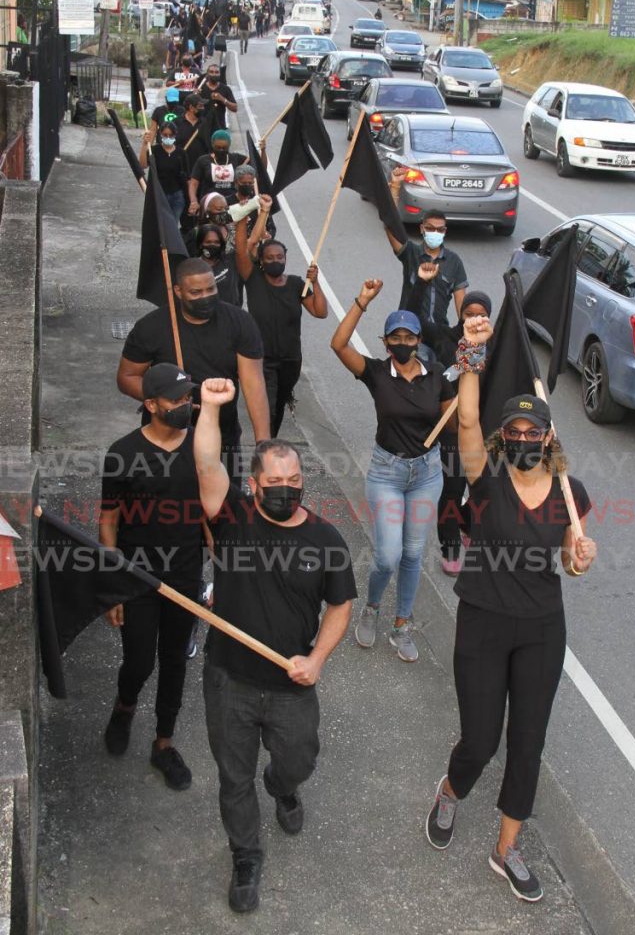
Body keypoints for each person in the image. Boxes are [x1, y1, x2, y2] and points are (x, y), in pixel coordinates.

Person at [425, 314, 597, 903]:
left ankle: (506, 849)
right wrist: (472, 354)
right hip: (482, 619)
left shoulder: (572, 496)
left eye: (532, 430)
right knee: (480, 741)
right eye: (515, 430)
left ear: (547, 436)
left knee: (528, 742)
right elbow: (468, 418)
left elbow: (570, 564)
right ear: (507, 436)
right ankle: (451, 790)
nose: (523, 438)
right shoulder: (487, 476)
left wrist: (580, 557)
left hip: (542, 629)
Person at [194, 384, 356, 913]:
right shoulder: (233, 517)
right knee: (233, 776)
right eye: (274, 482)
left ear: (302, 481)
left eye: (293, 481)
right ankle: (245, 855)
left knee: (298, 760)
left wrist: (318, 659)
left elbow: (339, 607)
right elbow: (204, 464)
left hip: (290, 685)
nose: (285, 490)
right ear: (254, 484)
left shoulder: (327, 541)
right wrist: (213, 408)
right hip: (229, 681)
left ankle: (283, 787)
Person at [331, 280, 456, 663]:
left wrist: (467, 386)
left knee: (413, 553)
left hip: (427, 474)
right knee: (388, 555)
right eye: (395, 337)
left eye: (410, 336)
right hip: (387, 473)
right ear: (386, 343)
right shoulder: (375, 373)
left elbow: (455, 425)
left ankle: (401, 624)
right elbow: (338, 345)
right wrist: (361, 301)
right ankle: (371, 607)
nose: (403, 342)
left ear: (419, 340)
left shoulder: (437, 375)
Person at [100, 363, 203, 790]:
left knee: (175, 660)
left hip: (184, 577)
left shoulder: (202, 449)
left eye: (188, 398)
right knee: (140, 660)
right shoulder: (122, 454)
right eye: (177, 401)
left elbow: (215, 517)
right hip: (137, 578)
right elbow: (108, 523)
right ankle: (124, 707)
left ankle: (164, 743)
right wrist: (112, 586)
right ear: (150, 405)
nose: (186, 406)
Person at [116, 257, 270, 485]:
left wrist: (263, 444)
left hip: (221, 435)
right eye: (196, 292)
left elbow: (253, 384)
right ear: (178, 291)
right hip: (166, 436)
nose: (205, 297)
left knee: (224, 507)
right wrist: (166, 399)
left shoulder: (240, 322)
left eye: (211, 289)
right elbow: (126, 377)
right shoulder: (151, 327)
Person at [408, 264, 493, 573]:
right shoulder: (445, 338)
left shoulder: (493, 347)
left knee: (485, 490)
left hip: (484, 434)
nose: (474, 318)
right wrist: (420, 283)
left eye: (480, 313)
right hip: (451, 431)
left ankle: (467, 524)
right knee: (451, 492)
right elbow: (415, 318)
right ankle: (450, 547)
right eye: (468, 312)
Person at [236, 199, 327, 436]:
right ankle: (265, 446)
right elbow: (248, 246)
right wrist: (261, 212)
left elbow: (320, 312)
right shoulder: (253, 279)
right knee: (267, 405)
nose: (275, 261)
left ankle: (270, 439)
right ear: (262, 261)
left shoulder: (297, 284)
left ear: (285, 259)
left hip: (290, 360)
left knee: (278, 404)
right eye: (270, 258)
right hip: (262, 359)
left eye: (279, 257)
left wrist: (316, 284)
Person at [386, 166, 468, 326]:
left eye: (439, 229)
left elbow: (461, 303)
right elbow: (391, 225)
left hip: (438, 334)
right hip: (409, 330)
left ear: (445, 232)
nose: (435, 232)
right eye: (430, 228)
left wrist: (465, 334)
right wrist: (395, 187)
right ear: (422, 229)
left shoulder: (454, 261)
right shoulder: (411, 253)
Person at [139, 120, 188, 223]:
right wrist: (144, 145)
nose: (168, 137)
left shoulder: (181, 153)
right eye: (165, 135)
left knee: (172, 226)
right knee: (159, 225)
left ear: (175, 135)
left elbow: (187, 177)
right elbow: (143, 165)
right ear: (160, 134)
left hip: (177, 196)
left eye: (171, 135)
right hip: (159, 194)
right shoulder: (154, 151)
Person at [188, 130, 248, 208]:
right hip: (210, 203)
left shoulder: (236, 158)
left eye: (224, 148)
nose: (221, 150)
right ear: (212, 145)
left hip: (232, 203)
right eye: (218, 147)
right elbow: (193, 183)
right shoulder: (203, 160)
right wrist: (193, 201)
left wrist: (262, 151)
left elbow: (258, 165)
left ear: (229, 145)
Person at [175, 93, 210, 170]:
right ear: (191, 108)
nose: (203, 108)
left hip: (200, 168)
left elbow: (208, 145)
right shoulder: (177, 122)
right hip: (182, 166)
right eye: (200, 106)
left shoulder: (204, 122)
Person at [198, 63, 237, 132]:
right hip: (203, 126)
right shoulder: (201, 88)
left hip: (219, 127)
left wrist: (222, 99)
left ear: (220, 74)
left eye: (217, 72)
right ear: (207, 74)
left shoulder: (225, 89)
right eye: (211, 72)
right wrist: (195, 96)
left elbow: (235, 108)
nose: (214, 74)